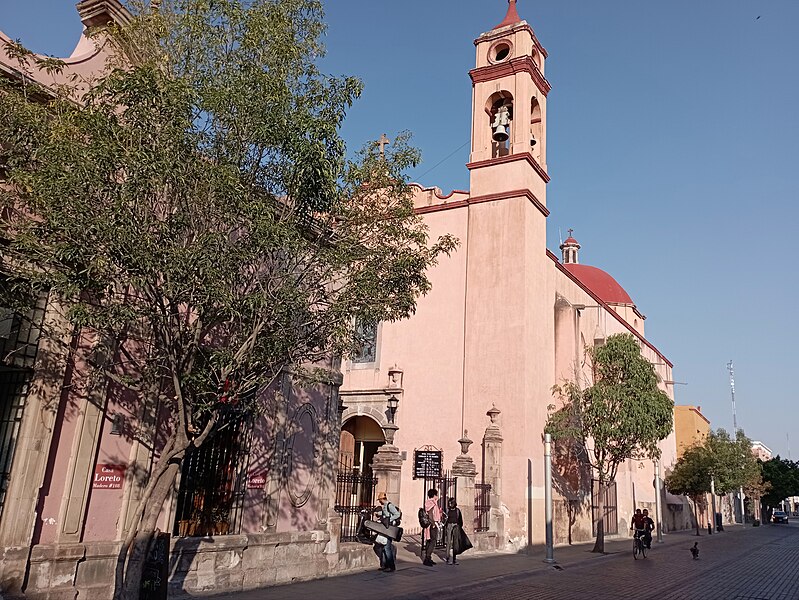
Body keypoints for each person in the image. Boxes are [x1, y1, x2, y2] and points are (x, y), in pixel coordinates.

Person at [373, 491, 400, 572]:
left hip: (389, 529)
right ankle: (385, 565)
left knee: (387, 548)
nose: (379, 502)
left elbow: (397, 514)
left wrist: (389, 520)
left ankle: (391, 566)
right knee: (384, 547)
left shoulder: (389, 505)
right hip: (385, 528)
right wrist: (379, 513)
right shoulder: (385, 506)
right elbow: (385, 513)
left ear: (382, 499)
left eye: (380, 500)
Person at [423, 488, 442, 566]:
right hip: (432, 524)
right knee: (433, 541)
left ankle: (428, 558)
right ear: (434, 495)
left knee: (429, 540)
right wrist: (434, 523)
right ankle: (427, 558)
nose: (437, 496)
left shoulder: (428, 503)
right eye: (436, 495)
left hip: (429, 525)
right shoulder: (432, 503)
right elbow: (431, 514)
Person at [444, 497, 463, 565]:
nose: (449, 504)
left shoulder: (457, 510)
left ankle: (454, 559)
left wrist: (459, 527)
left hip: (455, 526)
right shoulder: (447, 510)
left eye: (451, 503)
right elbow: (445, 519)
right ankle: (447, 558)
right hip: (449, 525)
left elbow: (460, 519)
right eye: (449, 503)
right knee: (448, 542)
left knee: (455, 543)